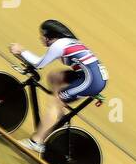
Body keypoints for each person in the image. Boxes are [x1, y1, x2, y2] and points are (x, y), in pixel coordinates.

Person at [9, 19, 106, 152]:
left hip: (91, 81)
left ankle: (36, 142)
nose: (40, 38)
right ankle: (57, 115)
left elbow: (39, 64)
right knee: (55, 77)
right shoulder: (68, 41)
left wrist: (21, 51)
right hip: (91, 76)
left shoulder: (59, 45)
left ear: (49, 36)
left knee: (55, 102)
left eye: (42, 35)